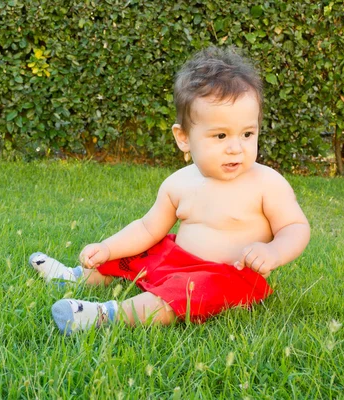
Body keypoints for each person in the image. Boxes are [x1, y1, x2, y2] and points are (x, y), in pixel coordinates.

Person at [29, 46, 310, 335]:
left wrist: (274, 251)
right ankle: (74, 277)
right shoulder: (179, 183)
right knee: (141, 251)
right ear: (184, 137)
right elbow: (148, 228)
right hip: (177, 258)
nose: (236, 147)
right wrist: (108, 248)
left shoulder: (266, 183)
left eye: (247, 134)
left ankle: (106, 315)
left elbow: (295, 226)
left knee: (186, 291)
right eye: (221, 135)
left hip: (229, 277)